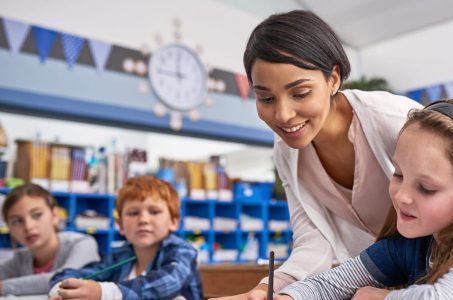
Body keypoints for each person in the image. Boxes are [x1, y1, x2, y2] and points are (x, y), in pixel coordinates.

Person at [216, 9, 422, 300]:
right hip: (373, 285)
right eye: (266, 98)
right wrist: (266, 290)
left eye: (300, 93)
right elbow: (315, 243)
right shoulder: (286, 153)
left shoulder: (395, 121)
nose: (284, 115)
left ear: (333, 79)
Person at [273, 98, 453, 299]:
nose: (402, 197)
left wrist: (379, 298)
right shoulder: (412, 241)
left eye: (427, 188)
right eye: (399, 174)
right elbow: (328, 286)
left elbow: (447, 298)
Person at [48, 175, 203, 300]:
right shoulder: (120, 255)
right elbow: (70, 274)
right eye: (133, 213)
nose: (143, 219)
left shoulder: (183, 251)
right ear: (120, 224)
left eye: (154, 212)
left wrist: (104, 292)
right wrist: (63, 290)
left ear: (174, 221)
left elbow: (168, 281)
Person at [0, 183, 100, 295]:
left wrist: (4, 287)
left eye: (37, 215)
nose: (28, 226)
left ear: (54, 215)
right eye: (17, 221)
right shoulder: (21, 259)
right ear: (9, 228)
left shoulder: (82, 243)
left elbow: (66, 280)